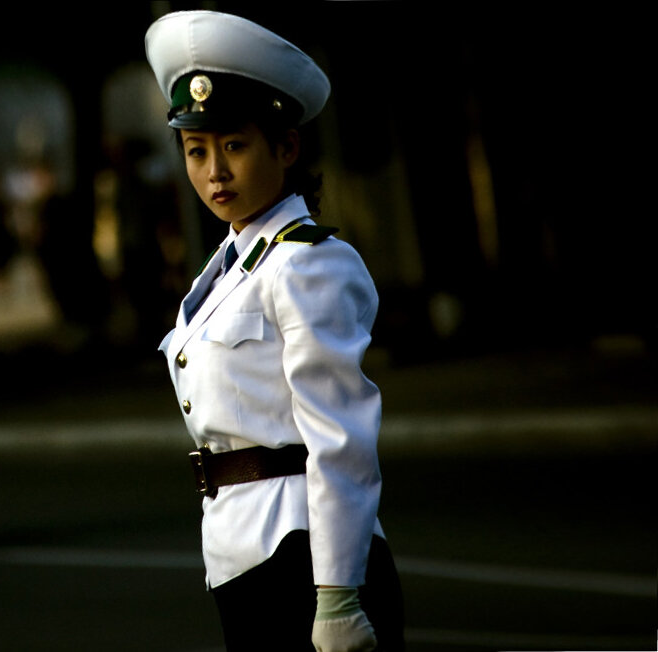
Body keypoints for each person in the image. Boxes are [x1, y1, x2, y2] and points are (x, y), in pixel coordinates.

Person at [146, 10, 405, 652]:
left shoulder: (307, 261)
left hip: (305, 557)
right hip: (242, 553)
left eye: (234, 145)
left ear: (285, 147)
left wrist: (339, 595)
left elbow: (339, 435)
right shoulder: (231, 264)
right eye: (196, 151)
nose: (215, 173)